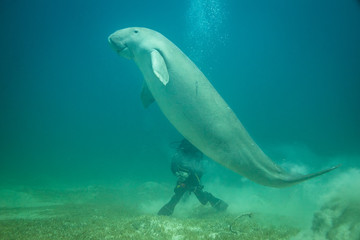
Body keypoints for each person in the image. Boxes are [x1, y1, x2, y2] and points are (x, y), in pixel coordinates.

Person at [158, 139, 228, 216]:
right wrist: (178, 173)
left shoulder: (196, 153)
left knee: (203, 200)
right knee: (177, 196)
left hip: (194, 179)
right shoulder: (179, 153)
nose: (185, 148)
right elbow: (173, 165)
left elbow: (200, 169)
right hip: (183, 179)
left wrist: (190, 175)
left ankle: (218, 203)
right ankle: (164, 213)